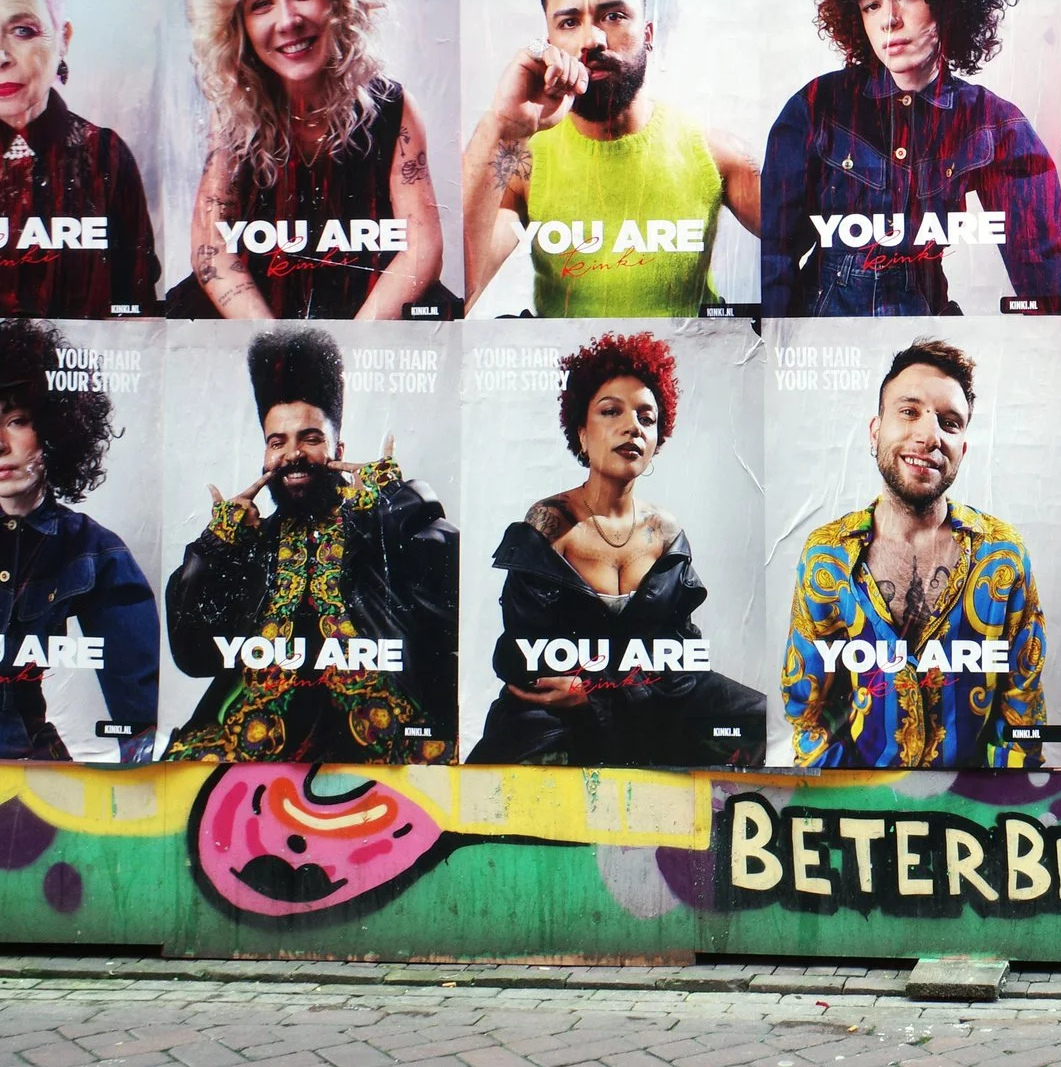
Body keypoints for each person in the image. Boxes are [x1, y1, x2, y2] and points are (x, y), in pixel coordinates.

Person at [761, 0, 1061, 318]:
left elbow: (1041, 268)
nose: (889, 19)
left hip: (927, 318)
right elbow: (776, 257)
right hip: (826, 322)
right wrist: (782, 348)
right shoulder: (816, 107)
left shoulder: (992, 123)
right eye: (871, 4)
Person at [162, 327, 456, 762]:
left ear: (338, 446)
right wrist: (214, 549)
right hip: (258, 741)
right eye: (277, 442)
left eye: (310, 438)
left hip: (386, 736)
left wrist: (392, 509)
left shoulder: (377, 521)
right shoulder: (252, 542)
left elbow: (448, 618)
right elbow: (193, 656)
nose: (292, 453)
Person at [472, 331, 764, 766]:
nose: (632, 426)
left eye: (647, 418)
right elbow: (522, 656)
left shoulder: (665, 533)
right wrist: (586, 693)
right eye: (611, 411)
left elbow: (683, 657)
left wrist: (599, 693)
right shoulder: (550, 523)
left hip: (643, 702)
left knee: (757, 716)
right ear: (582, 435)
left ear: (655, 443)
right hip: (555, 712)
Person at [461, 0, 761, 317]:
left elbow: (818, 253)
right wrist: (501, 126)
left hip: (691, 377)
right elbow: (459, 289)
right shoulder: (522, 162)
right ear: (547, 39)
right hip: (574, 380)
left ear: (648, 33)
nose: (594, 38)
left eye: (614, 15)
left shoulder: (715, 154)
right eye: (569, 22)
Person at [782, 338, 1046, 769]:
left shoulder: (1004, 555)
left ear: (964, 448)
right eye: (909, 412)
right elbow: (809, 709)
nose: (929, 435)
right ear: (875, 430)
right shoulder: (826, 556)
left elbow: (1021, 715)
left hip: (975, 809)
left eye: (950, 423)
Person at [176, 0, 446, 320]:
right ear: (240, 26)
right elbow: (209, 242)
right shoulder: (232, 114)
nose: (288, 20)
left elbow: (422, 247)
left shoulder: (394, 106)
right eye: (261, 4)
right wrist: (268, 345)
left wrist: (355, 350)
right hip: (265, 304)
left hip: (374, 304)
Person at [0, 320, 155, 760]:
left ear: (53, 429)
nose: (0, 444)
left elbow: (142, 720)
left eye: (16, 420)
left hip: (29, 781)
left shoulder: (94, 552)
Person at [0, 0, 158, 317]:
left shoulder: (106, 155)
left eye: (23, 31)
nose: (2, 56)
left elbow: (135, 305)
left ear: (63, 39)